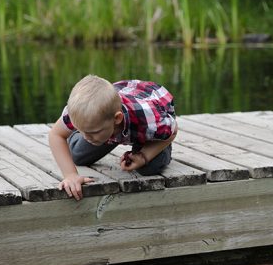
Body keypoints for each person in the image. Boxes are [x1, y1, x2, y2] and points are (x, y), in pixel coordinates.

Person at [48, 74, 177, 200]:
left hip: (147, 117)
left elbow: (173, 130)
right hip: (111, 123)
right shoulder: (79, 110)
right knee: (77, 154)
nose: (86, 137)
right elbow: (56, 135)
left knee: (149, 168)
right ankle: (99, 132)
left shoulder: (150, 120)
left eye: (93, 132)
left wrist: (144, 156)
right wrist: (70, 175)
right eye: (80, 130)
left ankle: (149, 147)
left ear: (117, 119)